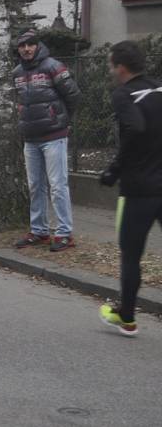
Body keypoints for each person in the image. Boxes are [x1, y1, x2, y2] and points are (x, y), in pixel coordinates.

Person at [98, 40, 162, 337]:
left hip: (138, 189)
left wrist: (114, 169)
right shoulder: (159, 89)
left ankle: (127, 317)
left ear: (120, 67)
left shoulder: (124, 95)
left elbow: (134, 129)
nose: (111, 70)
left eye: (111, 65)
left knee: (131, 255)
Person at [12, 30, 80, 252]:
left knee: (58, 186)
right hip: (30, 139)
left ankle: (64, 233)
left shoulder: (54, 67)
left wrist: (61, 120)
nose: (27, 49)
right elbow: (19, 101)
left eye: (31, 44)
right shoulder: (17, 73)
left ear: (37, 45)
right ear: (18, 49)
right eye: (22, 45)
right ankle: (39, 230)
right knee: (35, 186)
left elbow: (73, 96)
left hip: (54, 137)